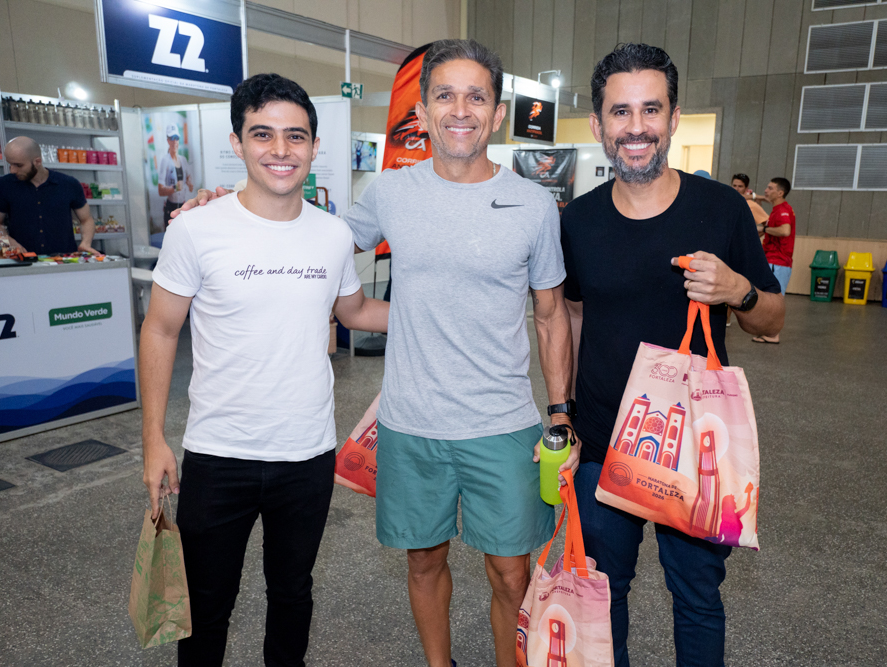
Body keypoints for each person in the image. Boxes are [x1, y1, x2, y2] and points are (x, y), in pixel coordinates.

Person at [170, 40, 578, 667]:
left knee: (510, 573)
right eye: (444, 95)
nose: (460, 110)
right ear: (423, 109)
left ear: (497, 113)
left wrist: (560, 412)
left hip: (501, 423)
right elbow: (307, 231)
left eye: (476, 97)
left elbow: (551, 316)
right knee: (424, 561)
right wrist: (224, 208)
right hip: (410, 422)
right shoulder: (389, 192)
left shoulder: (532, 205)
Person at [139, 73, 388, 667]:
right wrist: (153, 439)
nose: (281, 149)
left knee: (293, 593)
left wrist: (440, 313)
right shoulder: (197, 228)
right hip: (218, 453)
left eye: (295, 136)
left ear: (314, 146)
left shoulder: (332, 235)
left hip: (306, 454)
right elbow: (161, 329)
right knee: (207, 605)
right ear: (238, 142)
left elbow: (354, 311)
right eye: (263, 134)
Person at [561, 43, 784, 667]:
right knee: (603, 594)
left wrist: (738, 290)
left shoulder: (721, 210)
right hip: (604, 442)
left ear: (674, 117)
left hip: (697, 449)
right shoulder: (578, 221)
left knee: (697, 597)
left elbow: (772, 321)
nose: (636, 127)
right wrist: (565, 416)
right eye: (621, 112)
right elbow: (571, 319)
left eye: (650, 109)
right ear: (599, 125)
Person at [0, 136, 98, 255]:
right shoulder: (4, 185)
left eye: (19, 165)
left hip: (64, 260)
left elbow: (86, 219)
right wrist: (7, 242)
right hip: (23, 260)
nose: (13, 170)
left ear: (37, 162)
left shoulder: (68, 184)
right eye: (10, 164)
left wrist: (86, 243)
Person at [752, 177, 794, 344]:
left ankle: (773, 334)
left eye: (770, 188)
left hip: (779, 261)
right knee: (769, 297)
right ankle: (768, 332)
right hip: (772, 259)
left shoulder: (783, 210)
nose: (766, 190)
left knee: (776, 298)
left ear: (780, 193)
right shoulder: (776, 210)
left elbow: (785, 230)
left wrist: (766, 228)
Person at [157, 124, 195, 227]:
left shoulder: (183, 160)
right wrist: (174, 188)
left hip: (183, 206)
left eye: (176, 138)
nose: (174, 141)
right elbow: (160, 191)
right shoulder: (165, 160)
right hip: (171, 207)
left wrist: (189, 182)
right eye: (172, 138)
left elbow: (190, 184)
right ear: (167, 140)